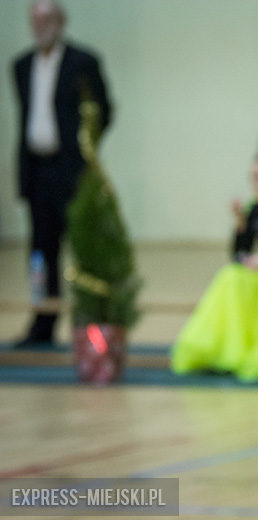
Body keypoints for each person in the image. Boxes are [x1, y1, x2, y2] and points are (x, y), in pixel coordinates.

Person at [11, 0, 112, 348]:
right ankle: (42, 322)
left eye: (46, 19)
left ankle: (89, 326)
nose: (39, 26)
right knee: (40, 253)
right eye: (34, 20)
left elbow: (105, 110)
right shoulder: (21, 65)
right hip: (37, 171)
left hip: (72, 173)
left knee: (82, 250)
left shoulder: (84, 62)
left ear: (61, 21)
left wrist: (84, 148)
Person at [171, 137, 258, 381]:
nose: (256, 183)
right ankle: (226, 350)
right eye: (253, 177)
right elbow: (238, 254)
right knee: (230, 276)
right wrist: (239, 226)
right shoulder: (253, 211)